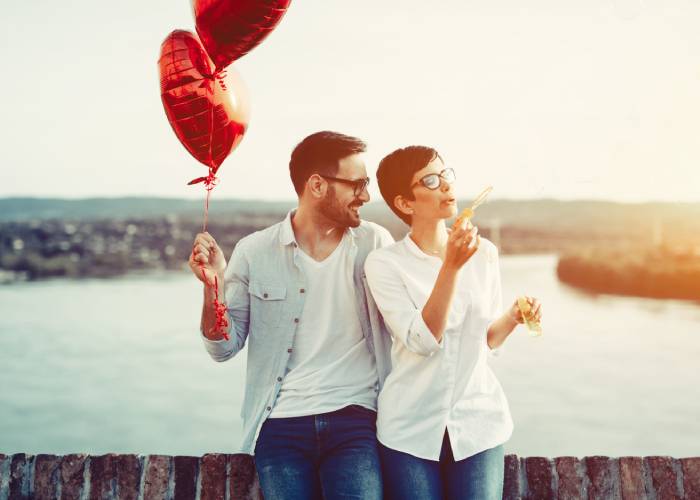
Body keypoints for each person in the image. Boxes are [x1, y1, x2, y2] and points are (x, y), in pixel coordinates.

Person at [189, 131, 394, 500]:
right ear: (317, 184)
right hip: (279, 427)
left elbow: (411, 325)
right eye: (358, 184)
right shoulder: (254, 251)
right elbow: (222, 348)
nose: (366, 195)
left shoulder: (375, 243)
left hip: (357, 420)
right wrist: (212, 285)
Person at [364, 145, 542, 500]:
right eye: (430, 180)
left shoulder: (485, 253)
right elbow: (422, 340)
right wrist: (451, 267)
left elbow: (485, 341)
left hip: (478, 422)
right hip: (409, 429)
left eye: (446, 175)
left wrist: (512, 317)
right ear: (405, 203)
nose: (445, 185)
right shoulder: (384, 264)